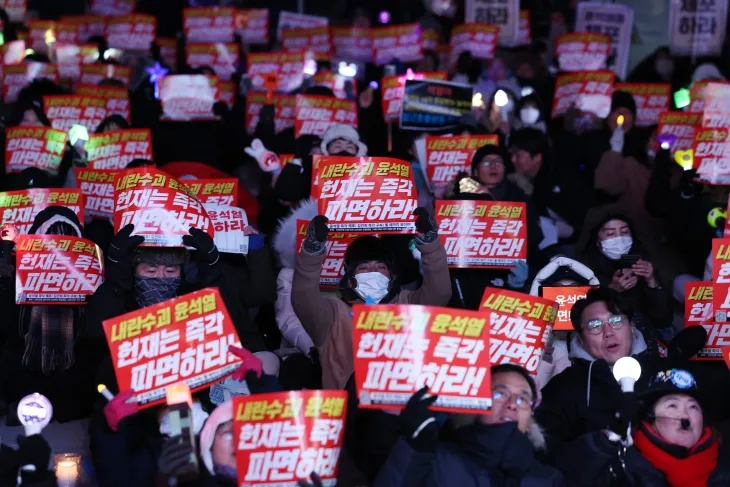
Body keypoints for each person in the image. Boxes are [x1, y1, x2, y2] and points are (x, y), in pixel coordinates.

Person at [291, 209, 451, 389]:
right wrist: (312, 252)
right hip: (348, 408)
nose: (373, 273)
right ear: (350, 277)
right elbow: (303, 299)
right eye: (364, 268)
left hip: (400, 402)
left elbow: (440, 292)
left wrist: (431, 246)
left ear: (391, 275)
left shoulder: (407, 303)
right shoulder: (334, 313)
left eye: (381, 267)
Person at [87, 224, 266, 365]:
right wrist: (116, 278)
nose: (161, 277)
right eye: (151, 271)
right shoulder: (122, 300)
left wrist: (211, 273)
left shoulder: (192, 299)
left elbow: (227, 326)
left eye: (170, 270)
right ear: (135, 271)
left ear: (181, 272)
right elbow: (96, 332)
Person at [373, 364, 564, 487]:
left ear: (531, 414)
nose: (512, 404)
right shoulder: (435, 460)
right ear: (476, 403)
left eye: (523, 398)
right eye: (499, 394)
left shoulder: (548, 479)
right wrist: (414, 449)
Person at [0, 206, 101, 423]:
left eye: (68, 243)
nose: (58, 255)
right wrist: (5, 281)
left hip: (75, 411)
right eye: (51, 244)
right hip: (22, 404)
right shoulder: (14, 284)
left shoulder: (94, 288)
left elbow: (95, 338)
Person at [536, 287, 659, 458]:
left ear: (631, 326)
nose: (608, 332)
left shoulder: (663, 373)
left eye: (616, 321)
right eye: (595, 325)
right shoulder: (561, 388)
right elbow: (545, 450)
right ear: (581, 340)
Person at [557, 369, 730, 486]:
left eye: (693, 407)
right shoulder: (621, 469)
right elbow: (570, 474)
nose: (685, 415)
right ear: (651, 420)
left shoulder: (724, 468)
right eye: (672, 406)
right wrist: (603, 442)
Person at [448, 144, 543, 309]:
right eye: (486, 163)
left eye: (498, 162)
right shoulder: (458, 201)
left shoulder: (520, 199)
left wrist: (493, 204)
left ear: (505, 169)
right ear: (475, 171)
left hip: (508, 276)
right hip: (466, 275)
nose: (493, 166)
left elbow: (535, 237)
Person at [576, 207, 671, 331]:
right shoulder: (583, 269)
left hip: (645, 332)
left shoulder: (644, 260)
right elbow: (584, 322)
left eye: (625, 232)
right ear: (597, 241)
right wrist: (611, 291)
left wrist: (652, 281)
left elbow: (664, 320)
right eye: (610, 234)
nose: (619, 238)